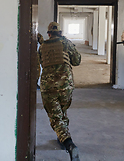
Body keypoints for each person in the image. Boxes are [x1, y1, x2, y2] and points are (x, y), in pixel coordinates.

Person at [38, 22, 81, 161]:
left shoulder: (43, 46)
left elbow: (41, 62)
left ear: (49, 33)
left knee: (56, 117)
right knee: (61, 113)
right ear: (60, 33)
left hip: (48, 87)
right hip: (65, 85)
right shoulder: (66, 43)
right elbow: (77, 61)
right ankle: (61, 137)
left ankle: (69, 144)